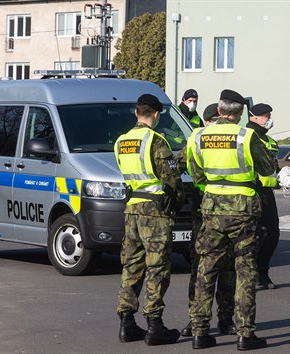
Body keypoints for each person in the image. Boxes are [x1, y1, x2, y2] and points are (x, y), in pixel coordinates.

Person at [188, 89, 276, 350]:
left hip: (212, 207)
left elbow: (195, 173)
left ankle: (199, 332)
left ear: (218, 111)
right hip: (243, 209)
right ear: (239, 114)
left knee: (206, 270)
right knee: (245, 271)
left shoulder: (198, 135)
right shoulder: (246, 136)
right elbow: (268, 168)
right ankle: (245, 334)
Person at [114, 93, 184, 346]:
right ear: (156, 114)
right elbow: (171, 177)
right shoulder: (155, 140)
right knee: (157, 268)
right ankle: (155, 325)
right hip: (154, 212)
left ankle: (127, 323)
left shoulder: (121, 141)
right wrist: (177, 199)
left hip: (131, 209)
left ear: (136, 112)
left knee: (131, 267)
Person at [175, 103, 237, 339]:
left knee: (221, 269)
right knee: (204, 269)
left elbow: (176, 166)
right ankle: (199, 320)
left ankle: (223, 319)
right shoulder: (197, 138)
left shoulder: (202, 138)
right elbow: (176, 165)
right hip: (206, 212)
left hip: (213, 210)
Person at [246, 103, 281, 290]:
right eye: (265, 116)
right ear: (254, 117)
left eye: (269, 115)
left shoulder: (268, 139)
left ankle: (263, 272)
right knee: (255, 235)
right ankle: (253, 275)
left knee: (272, 233)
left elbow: (273, 166)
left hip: (267, 192)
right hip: (252, 191)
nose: (269, 119)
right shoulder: (249, 137)